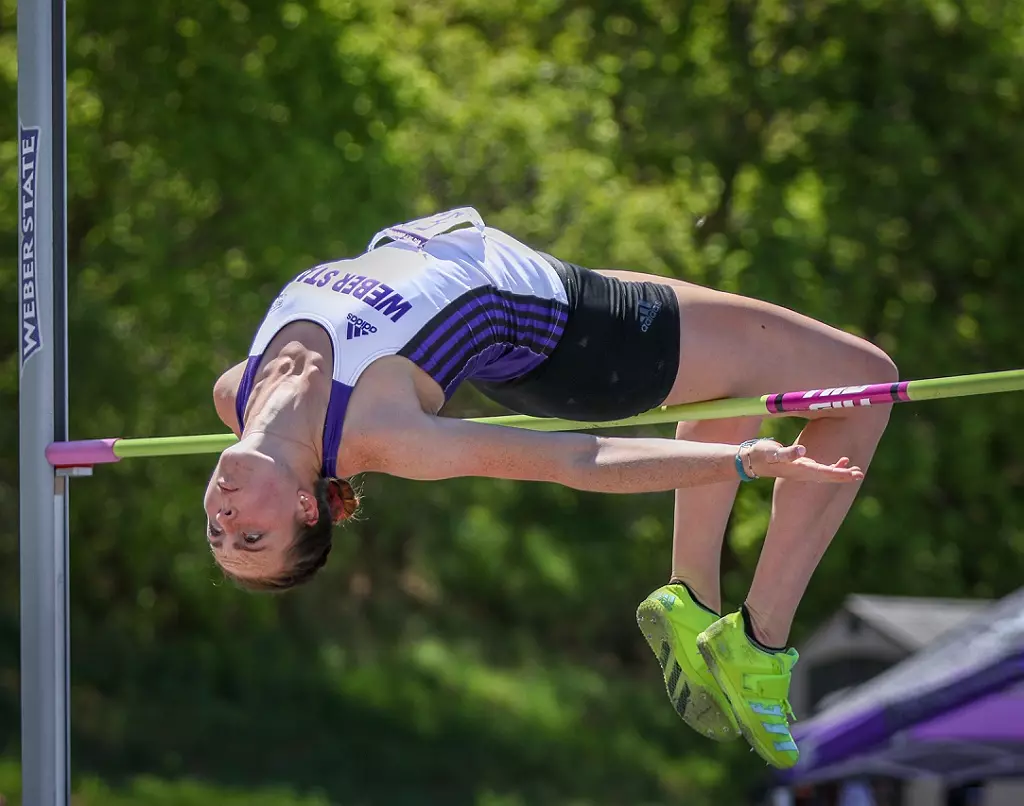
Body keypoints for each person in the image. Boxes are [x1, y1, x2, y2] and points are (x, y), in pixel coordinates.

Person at [205, 207, 897, 769]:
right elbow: (576, 461)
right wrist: (744, 461)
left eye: (219, 531)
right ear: (304, 507)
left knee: (735, 381)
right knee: (866, 384)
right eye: (252, 537)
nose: (227, 517)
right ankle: (762, 641)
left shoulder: (237, 391)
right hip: (582, 338)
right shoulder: (380, 432)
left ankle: (691, 598)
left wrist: (281, 441)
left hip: (535, 277)